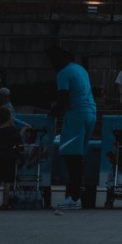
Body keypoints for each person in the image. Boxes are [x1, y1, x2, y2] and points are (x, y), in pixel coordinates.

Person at [47, 48, 95, 211]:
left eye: (52, 61)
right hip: (91, 113)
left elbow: (64, 98)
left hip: (77, 115)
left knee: (71, 157)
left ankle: (74, 198)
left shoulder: (63, 73)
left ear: (59, 59)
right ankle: (74, 196)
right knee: (78, 157)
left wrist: (53, 113)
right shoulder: (81, 69)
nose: (52, 65)